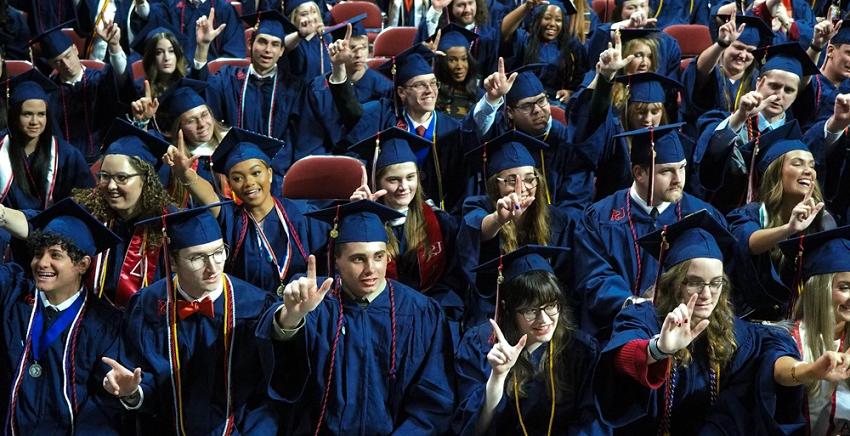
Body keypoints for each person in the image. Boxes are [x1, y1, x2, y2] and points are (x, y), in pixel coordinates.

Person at [595, 210, 844, 433]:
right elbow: (621, 356)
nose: (706, 294)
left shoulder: (736, 331)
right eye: (694, 282)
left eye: (716, 283)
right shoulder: (644, 317)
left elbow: (772, 359)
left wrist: (810, 371)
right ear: (673, 283)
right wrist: (658, 349)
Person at [256, 200, 455, 434]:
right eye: (358, 259)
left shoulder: (420, 312)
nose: (371, 269)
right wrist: (290, 319)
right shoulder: (315, 301)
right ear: (337, 261)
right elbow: (286, 380)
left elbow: (434, 401)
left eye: (379, 256)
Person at [102, 203, 279, 434]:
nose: (212, 267)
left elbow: (265, 395)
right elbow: (139, 379)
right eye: (197, 258)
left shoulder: (255, 306)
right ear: (173, 262)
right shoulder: (146, 305)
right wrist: (132, 393)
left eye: (218, 252)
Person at [573, 123, 727, 340]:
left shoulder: (703, 216)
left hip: (686, 331)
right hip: (615, 332)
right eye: (667, 171)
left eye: (682, 168)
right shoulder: (600, 217)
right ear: (639, 173)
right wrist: (636, 304)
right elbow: (593, 277)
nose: (678, 179)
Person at [453, 245, 607, 435]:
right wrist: (497, 377)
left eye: (551, 306)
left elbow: (592, 422)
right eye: (530, 310)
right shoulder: (480, 346)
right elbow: (473, 430)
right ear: (507, 308)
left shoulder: (580, 349)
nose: (544, 320)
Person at [0, 198, 123, 434]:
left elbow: (102, 408)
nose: (42, 262)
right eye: (38, 253)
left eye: (56, 255)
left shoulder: (105, 323)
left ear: (83, 264)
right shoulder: (13, 293)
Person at [325, 39, 487, 213]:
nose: (429, 90)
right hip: (387, 211)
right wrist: (339, 68)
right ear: (402, 92)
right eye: (419, 85)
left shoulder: (452, 129)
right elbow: (351, 111)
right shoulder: (382, 116)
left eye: (433, 83)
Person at [165, 127, 319, 293]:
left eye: (256, 173)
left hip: (300, 304)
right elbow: (209, 195)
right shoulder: (231, 218)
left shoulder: (301, 213)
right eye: (237, 178)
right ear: (230, 185)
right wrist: (186, 175)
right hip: (248, 310)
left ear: (269, 174)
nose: (248, 183)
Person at [348, 127, 463, 343]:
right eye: (393, 180)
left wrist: (430, 316)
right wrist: (360, 219)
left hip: (432, 320)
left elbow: (453, 282)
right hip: (376, 325)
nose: (403, 187)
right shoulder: (361, 223)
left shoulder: (440, 222)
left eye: (410, 177)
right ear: (377, 182)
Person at [458, 130, 577, 328]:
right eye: (511, 180)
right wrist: (498, 219)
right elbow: (479, 228)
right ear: (495, 184)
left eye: (530, 178)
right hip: (494, 308)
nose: (521, 187)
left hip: (542, 311)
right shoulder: (477, 206)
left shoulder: (556, 219)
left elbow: (565, 275)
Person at [694, 42, 830, 214]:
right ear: (759, 83)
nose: (779, 95)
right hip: (725, 215)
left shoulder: (795, 139)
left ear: (796, 95)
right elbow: (709, 170)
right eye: (774, 86)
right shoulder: (724, 121)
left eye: (789, 90)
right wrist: (740, 117)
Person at [727, 123, 836, 321]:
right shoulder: (750, 214)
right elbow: (748, 242)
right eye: (797, 163)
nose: (808, 171)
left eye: (811, 165)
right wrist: (789, 229)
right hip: (746, 321)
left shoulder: (822, 221)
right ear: (776, 173)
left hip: (799, 322)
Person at [191, 9, 305, 172]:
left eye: (275, 45)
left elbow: (296, 138)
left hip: (276, 172)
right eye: (262, 42)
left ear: (281, 52)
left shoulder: (293, 88)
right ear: (250, 44)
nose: (267, 50)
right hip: (230, 167)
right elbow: (202, 96)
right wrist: (202, 47)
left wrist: (270, 171)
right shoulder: (228, 77)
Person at [779, 225, 850, 434]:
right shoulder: (786, 338)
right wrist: (812, 370)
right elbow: (781, 372)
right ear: (820, 288)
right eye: (844, 287)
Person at [30, 20, 131, 164]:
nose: (66, 64)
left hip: (105, 157)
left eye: (68, 56)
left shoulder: (100, 79)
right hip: (66, 162)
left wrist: (114, 46)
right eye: (58, 61)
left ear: (76, 49)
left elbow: (121, 78)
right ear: (51, 64)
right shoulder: (49, 92)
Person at [1, 69, 93, 211]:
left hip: (53, 227)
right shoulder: (2, 149)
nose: (34, 121)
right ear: (14, 116)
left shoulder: (66, 155)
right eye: (27, 114)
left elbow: (86, 197)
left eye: (41, 114)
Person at [681, 14, 774, 130]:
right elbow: (700, 69)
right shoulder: (712, 70)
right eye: (738, 47)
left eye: (750, 51)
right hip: (703, 135)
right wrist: (721, 44)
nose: (743, 55)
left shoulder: (757, 79)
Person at [153, 78, 228, 207]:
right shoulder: (175, 162)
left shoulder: (231, 145)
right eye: (191, 121)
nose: (202, 124)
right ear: (179, 127)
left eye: (204, 115)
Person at [500, 0, 587, 103]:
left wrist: (571, 93)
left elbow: (581, 75)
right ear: (537, 19)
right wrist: (526, 7)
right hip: (523, 100)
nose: (552, 24)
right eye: (547, 18)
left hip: (556, 102)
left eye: (558, 20)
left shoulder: (571, 45)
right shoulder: (524, 39)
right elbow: (504, 32)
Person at [586, 0, 682, 80]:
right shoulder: (605, 35)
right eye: (631, 7)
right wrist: (620, 27)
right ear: (620, 11)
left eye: (643, 6)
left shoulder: (667, 43)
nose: (638, 13)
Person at [148, 1, 245, 61]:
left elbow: (234, 52)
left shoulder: (224, 9)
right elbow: (150, 18)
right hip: (178, 74)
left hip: (214, 79)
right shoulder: (171, 6)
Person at [433, 23, 484, 119]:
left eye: (464, 59)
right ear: (442, 62)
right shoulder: (433, 94)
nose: (459, 66)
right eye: (452, 60)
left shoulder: (479, 95)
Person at [129, 22, 188, 99]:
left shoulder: (187, 83)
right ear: (151, 57)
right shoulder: (141, 89)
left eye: (171, 51)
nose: (166, 58)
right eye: (159, 52)